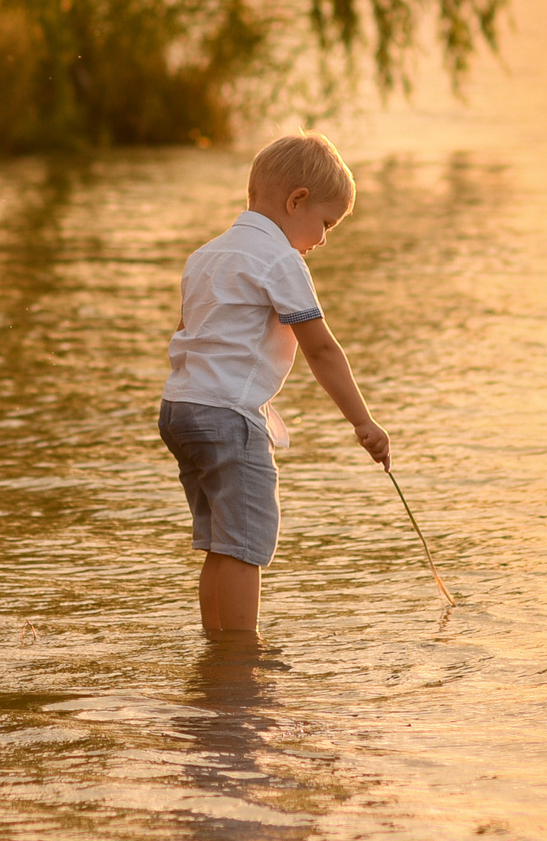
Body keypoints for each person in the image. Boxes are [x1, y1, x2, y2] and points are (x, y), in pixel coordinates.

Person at [159, 133, 391, 638]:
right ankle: (241, 660)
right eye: (326, 223)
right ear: (296, 201)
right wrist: (363, 422)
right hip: (227, 415)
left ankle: (217, 652)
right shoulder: (281, 260)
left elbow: (186, 332)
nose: (324, 239)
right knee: (245, 544)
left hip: (181, 410)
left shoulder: (206, 255)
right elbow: (321, 349)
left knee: (222, 542)